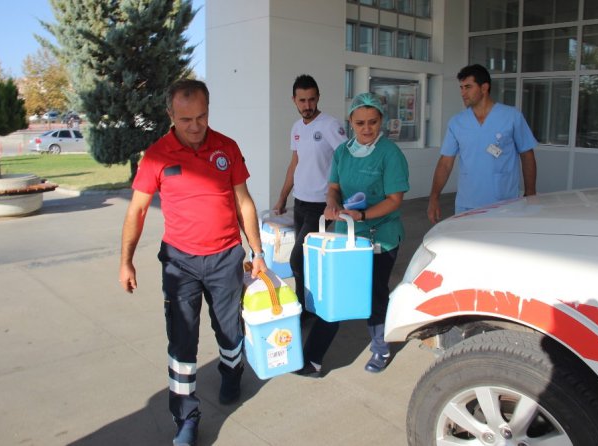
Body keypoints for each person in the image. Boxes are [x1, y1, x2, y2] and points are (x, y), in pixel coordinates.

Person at [118, 79, 267, 446]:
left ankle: (232, 372)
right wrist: (126, 261)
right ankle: (186, 417)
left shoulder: (226, 148)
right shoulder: (156, 155)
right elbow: (136, 210)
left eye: (202, 117)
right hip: (179, 264)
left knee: (230, 332)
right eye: (186, 120)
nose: (195, 126)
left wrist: (258, 252)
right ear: (170, 115)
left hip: (225, 258)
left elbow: (244, 202)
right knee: (182, 343)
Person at [294, 92, 409, 377]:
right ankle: (313, 358)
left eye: (372, 122)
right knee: (337, 291)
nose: (366, 128)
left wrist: (363, 214)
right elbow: (333, 187)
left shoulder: (390, 154)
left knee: (374, 293)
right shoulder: (342, 152)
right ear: (351, 122)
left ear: (381, 121)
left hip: (381, 235)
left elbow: (394, 199)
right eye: (360, 123)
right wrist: (332, 203)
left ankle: (380, 348)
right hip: (350, 236)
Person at [428, 64, 537, 223]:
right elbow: (445, 163)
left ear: (484, 87)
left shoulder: (511, 117)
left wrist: (531, 193)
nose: (463, 93)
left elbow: (527, 155)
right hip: (467, 205)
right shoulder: (457, 122)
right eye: (461, 88)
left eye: (468, 87)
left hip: (504, 204)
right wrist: (434, 197)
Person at [272, 74, 346, 310]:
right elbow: (295, 164)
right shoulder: (296, 128)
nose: (307, 106)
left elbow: (346, 160)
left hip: (321, 206)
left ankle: (305, 308)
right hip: (300, 203)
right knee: (306, 258)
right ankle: (308, 304)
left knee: (297, 258)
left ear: (318, 98)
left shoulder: (330, 125)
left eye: (311, 100)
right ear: (294, 100)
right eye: (302, 100)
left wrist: (336, 198)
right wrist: (283, 197)